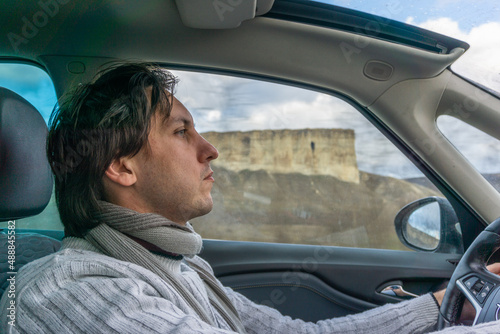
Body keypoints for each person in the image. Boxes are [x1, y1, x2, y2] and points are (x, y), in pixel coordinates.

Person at [0, 63, 499, 333]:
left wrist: (441, 304)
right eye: (181, 131)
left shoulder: (180, 266)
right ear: (121, 166)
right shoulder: (68, 291)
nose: (210, 149)